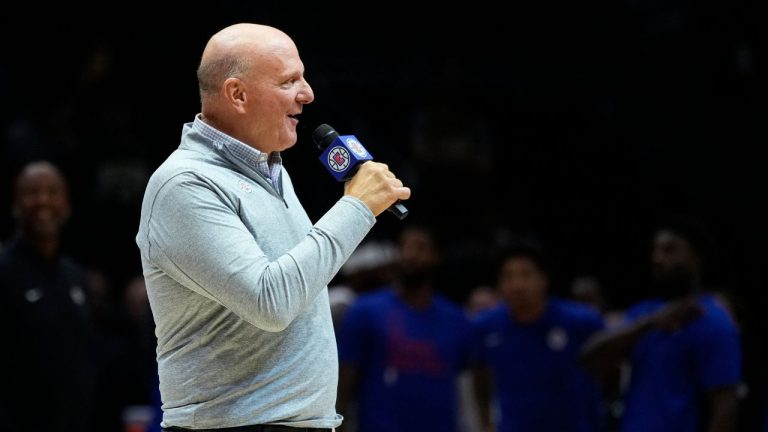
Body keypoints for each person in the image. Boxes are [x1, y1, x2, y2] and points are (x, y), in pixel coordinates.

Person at [135, 23, 410, 432]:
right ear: (237, 94)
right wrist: (357, 206)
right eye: (289, 81)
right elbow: (270, 302)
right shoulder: (185, 184)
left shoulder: (271, 169)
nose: (308, 93)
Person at [580, 218, 741, 432]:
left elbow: (725, 409)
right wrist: (650, 323)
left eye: (669, 250)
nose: (657, 258)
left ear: (696, 257)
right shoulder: (644, 312)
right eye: (655, 250)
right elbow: (589, 358)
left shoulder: (712, 320)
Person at [336, 224, 471, 432]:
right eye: (404, 246)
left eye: (420, 247)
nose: (410, 254)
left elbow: (466, 387)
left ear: (436, 256)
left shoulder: (456, 319)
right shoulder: (365, 311)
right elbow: (345, 382)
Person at [471, 240, 606, 432]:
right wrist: (485, 423)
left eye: (525, 275)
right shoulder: (485, 327)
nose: (517, 285)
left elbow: (608, 370)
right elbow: (480, 376)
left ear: (543, 279)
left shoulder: (581, 321)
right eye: (508, 277)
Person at [0, 161, 96, 432]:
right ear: (16, 204)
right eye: (32, 192)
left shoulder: (75, 276)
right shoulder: (4, 272)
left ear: (66, 204)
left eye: (53, 192)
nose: (43, 200)